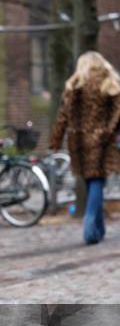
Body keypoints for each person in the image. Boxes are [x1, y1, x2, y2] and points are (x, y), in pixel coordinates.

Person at [50, 51, 120, 244]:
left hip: (78, 141)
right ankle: (91, 227)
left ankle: (99, 228)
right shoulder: (110, 85)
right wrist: (108, 132)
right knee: (97, 181)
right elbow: (118, 113)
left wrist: (56, 140)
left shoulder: (74, 86)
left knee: (92, 181)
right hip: (102, 142)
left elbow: (63, 116)